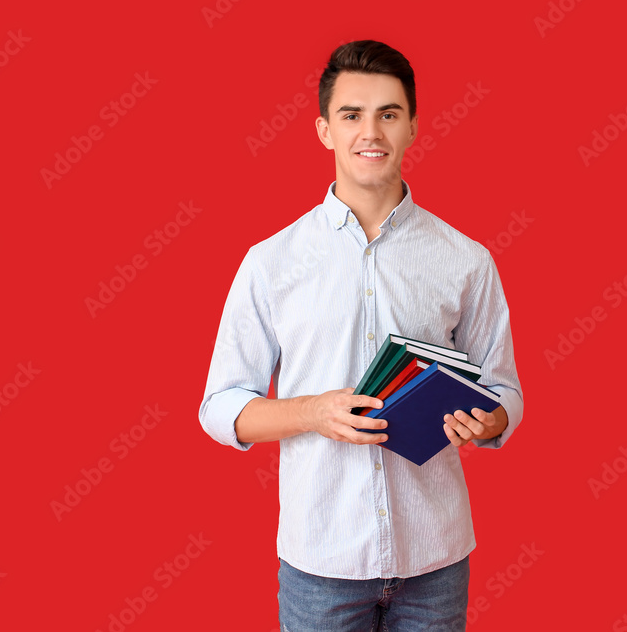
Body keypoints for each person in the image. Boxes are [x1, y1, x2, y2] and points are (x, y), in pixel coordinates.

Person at [199, 39, 523, 631]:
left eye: (388, 114)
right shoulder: (271, 262)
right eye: (352, 114)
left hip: (436, 557)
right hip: (320, 561)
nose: (370, 131)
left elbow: (504, 392)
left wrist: (490, 421)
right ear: (324, 130)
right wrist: (313, 411)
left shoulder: (466, 260)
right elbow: (220, 408)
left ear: (413, 128)